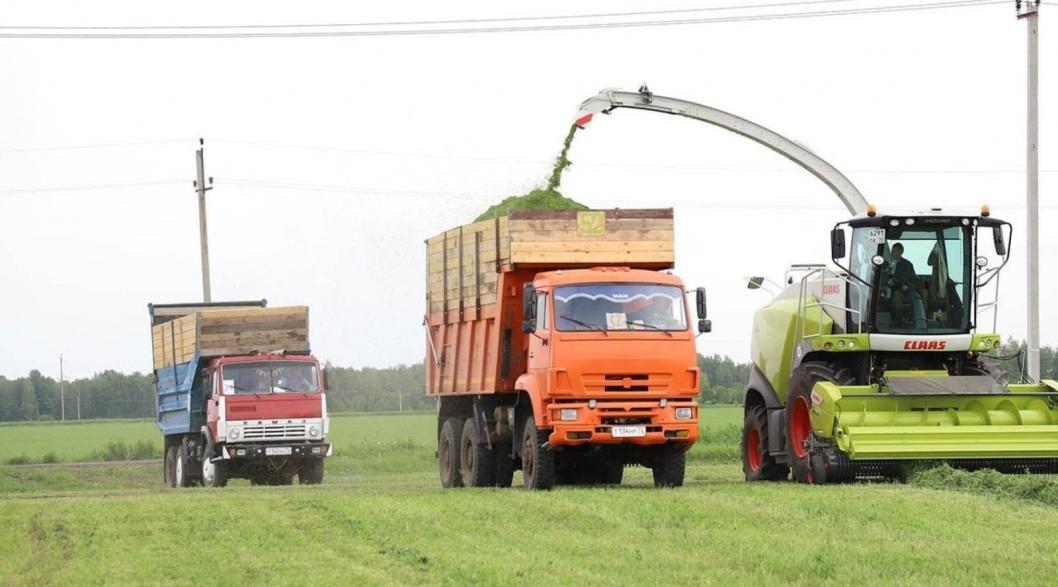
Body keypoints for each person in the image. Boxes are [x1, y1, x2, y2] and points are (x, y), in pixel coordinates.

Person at [887, 242, 926, 328]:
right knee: (897, 297)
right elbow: (886, 278)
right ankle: (899, 321)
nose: (893, 253)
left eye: (895, 251)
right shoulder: (888, 265)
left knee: (923, 294)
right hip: (896, 290)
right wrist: (891, 282)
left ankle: (923, 320)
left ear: (901, 252)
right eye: (892, 251)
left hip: (909, 290)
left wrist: (908, 286)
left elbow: (913, 279)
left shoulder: (908, 265)